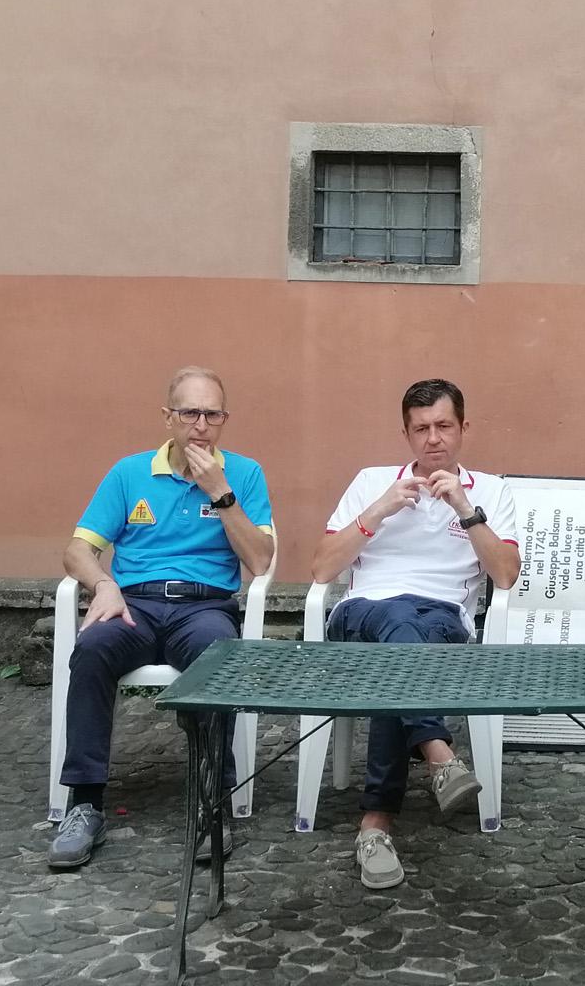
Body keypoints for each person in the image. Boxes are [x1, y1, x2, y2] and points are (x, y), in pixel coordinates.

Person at [50, 366, 275, 870]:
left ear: (224, 419)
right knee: (91, 650)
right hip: (133, 604)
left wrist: (220, 492)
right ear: (168, 417)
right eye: (190, 413)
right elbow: (76, 551)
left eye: (212, 414)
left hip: (204, 606)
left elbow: (260, 561)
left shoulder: (244, 474)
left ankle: (212, 803)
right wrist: (103, 584)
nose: (201, 425)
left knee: (218, 660)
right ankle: (84, 803)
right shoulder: (129, 473)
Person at [313, 378, 517, 890]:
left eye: (444, 426)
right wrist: (379, 510)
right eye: (421, 428)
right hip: (361, 615)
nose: (434, 438)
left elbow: (506, 574)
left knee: (399, 656)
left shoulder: (490, 491)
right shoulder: (372, 482)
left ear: (463, 428)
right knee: (398, 626)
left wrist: (466, 511)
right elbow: (321, 568)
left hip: (441, 622)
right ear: (406, 434)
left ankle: (376, 824)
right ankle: (437, 753)